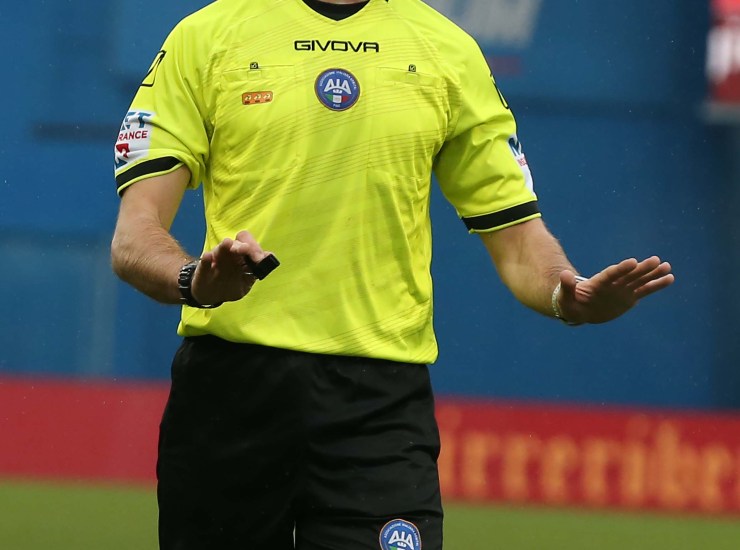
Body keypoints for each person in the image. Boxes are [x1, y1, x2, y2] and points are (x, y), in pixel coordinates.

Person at [110, 0, 675, 548]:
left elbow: (518, 238)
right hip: (230, 395)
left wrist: (566, 294)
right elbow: (134, 236)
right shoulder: (206, 37)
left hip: (377, 407)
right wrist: (193, 280)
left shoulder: (447, 50)